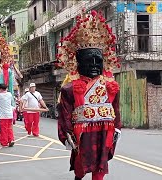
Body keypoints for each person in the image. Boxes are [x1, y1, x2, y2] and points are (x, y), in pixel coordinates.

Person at [56, 10, 122, 180]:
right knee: (81, 166)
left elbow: (116, 110)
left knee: (100, 166)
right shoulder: (69, 88)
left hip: (104, 130)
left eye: (97, 61)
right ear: (77, 63)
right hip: (82, 132)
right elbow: (65, 114)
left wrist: (116, 129)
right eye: (88, 60)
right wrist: (67, 134)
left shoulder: (110, 86)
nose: (93, 64)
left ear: (104, 62)